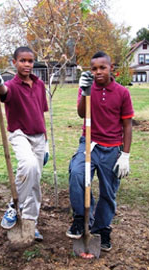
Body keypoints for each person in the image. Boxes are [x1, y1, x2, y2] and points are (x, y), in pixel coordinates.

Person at [66, 51, 134, 252]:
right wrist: (84, 91)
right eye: (94, 68)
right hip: (90, 143)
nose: (97, 72)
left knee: (108, 190)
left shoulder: (122, 93)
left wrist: (126, 155)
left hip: (112, 148)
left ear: (111, 68)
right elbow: (81, 113)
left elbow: (127, 125)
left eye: (102, 67)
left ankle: (102, 228)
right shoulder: (87, 86)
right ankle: (81, 218)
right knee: (77, 173)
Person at [0, 46, 49, 241]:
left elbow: (40, 113)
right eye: (22, 60)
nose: (27, 64)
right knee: (28, 166)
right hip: (19, 133)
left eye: (30, 61)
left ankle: (30, 223)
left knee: (35, 182)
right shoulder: (11, 85)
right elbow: (4, 93)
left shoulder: (39, 85)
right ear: (14, 63)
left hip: (39, 136)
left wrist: (45, 143)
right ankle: (14, 206)